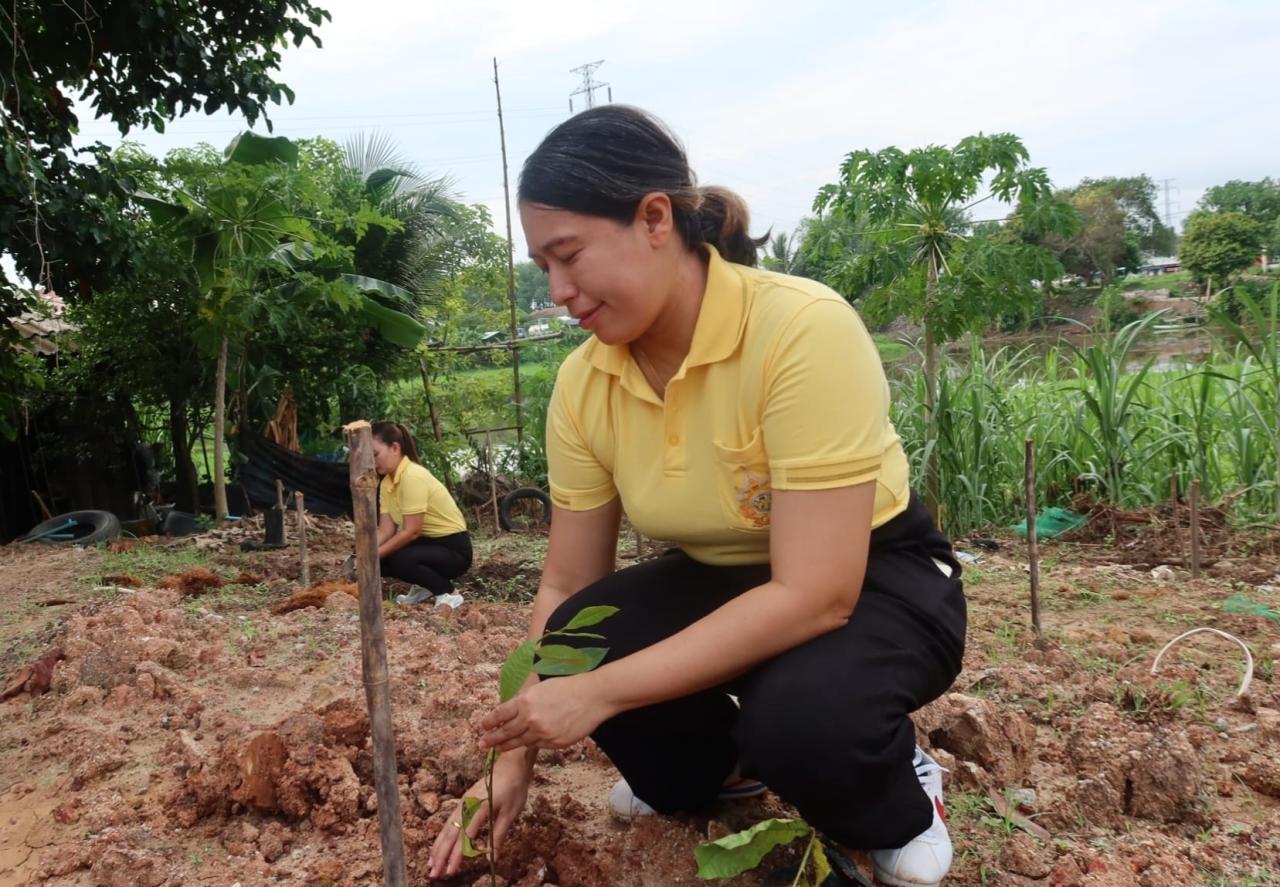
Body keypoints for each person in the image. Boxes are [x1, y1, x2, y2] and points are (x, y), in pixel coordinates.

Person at [428, 106, 966, 887]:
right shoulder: (584, 382)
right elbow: (568, 583)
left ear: (654, 218)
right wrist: (513, 757)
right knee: (587, 631)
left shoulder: (799, 329)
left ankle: (900, 791)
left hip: (871, 574)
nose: (558, 291)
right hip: (720, 572)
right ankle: (724, 770)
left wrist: (596, 695)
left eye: (568, 255)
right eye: (544, 266)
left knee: (806, 721)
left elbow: (817, 592)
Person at [370, 421, 472, 605]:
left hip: (453, 549)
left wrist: (373, 556)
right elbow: (385, 530)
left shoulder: (412, 476)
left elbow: (411, 531)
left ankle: (448, 593)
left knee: (399, 559)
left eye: (375, 454)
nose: (372, 461)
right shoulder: (386, 483)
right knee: (381, 561)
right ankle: (425, 586)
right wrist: (364, 553)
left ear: (395, 448)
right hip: (428, 545)